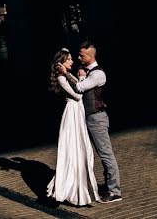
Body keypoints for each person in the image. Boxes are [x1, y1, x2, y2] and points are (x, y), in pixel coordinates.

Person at [59, 40, 122, 203]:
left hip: (97, 118)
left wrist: (67, 74)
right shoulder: (85, 71)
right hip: (86, 118)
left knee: (106, 154)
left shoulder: (98, 74)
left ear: (91, 55)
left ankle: (115, 191)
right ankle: (101, 185)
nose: (79, 58)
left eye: (82, 55)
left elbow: (80, 88)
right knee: (89, 153)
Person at [46, 48, 99, 206]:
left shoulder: (67, 76)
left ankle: (79, 188)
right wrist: (79, 78)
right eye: (68, 59)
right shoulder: (63, 79)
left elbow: (79, 86)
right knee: (74, 149)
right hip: (72, 114)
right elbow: (78, 95)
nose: (72, 61)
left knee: (82, 150)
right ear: (61, 63)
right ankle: (69, 189)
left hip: (77, 112)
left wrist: (79, 79)